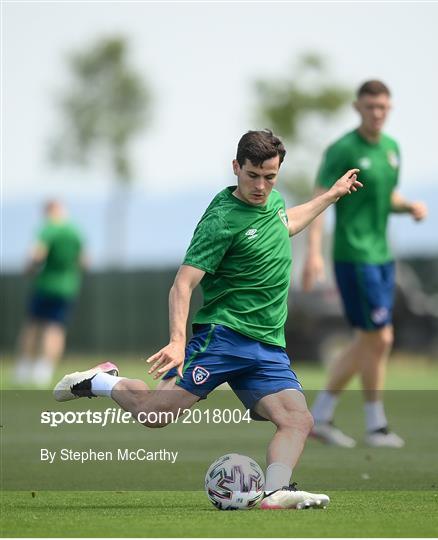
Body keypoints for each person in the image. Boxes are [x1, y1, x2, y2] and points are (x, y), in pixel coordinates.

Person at [54, 130, 362, 509]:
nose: (261, 186)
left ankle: (275, 491)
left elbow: (285, 221)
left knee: (298, 420)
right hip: (223, 337)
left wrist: (329, 196)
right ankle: (99, 381)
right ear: (236, 167)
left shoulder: (274, 201)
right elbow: (183, 284)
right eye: (253, 176)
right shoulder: (221, 220)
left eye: (270, 177)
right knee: (154, 416)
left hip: (267, 345)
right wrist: (177, 341)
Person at [303, 80, 427, 448]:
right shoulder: (343, 149)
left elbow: (386, 196)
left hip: (383, 255)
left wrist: (408, 207)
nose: (377, 113)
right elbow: (321, 198)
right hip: (354, 256)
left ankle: (320, 416)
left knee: (369, 341)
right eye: (371, 106)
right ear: (358, 107)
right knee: (380, 337)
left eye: (383, 107)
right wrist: (313, 253)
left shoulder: (391, 149)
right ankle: (375, 426)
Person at [13, 200, 86, 387]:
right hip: (68, 287)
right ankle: (44, 371)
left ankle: (24, 368)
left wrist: (28, 270)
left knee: (33, 325)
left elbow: (37, 254)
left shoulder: (48, 229)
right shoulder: (75, 231)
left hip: (46, 285)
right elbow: (84, 261)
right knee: (56, 328)